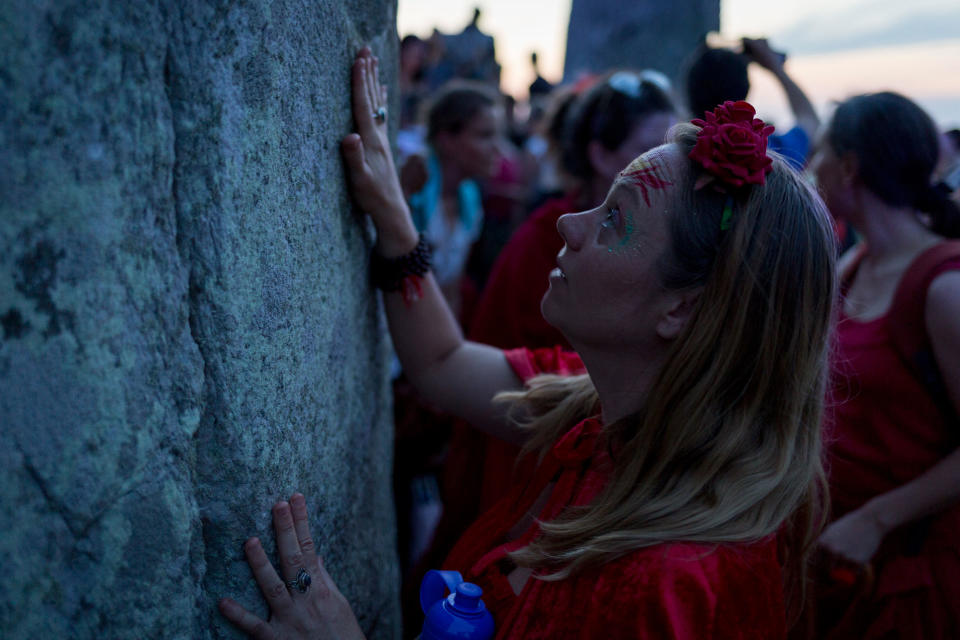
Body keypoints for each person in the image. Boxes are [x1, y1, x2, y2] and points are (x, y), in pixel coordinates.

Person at [218, 48, 837, 639]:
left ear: (682, 308)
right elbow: (443, 362)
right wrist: (390, 212)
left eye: (615, 219)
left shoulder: (668, 585)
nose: (571, 224)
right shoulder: (597, 409)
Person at [421, 71, 679, 582]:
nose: (671, 170)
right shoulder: (553, 244)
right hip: (521, 458)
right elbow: (500, 377)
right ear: (603, 155)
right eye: (652, 148)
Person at [808, 92, 960, 639]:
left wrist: (876, 519)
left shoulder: (943, 287)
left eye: (821, 146)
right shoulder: (858, 261)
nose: (812, 162)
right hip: (844, 565)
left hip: (914, 580)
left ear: (849, 167)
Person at [685, 38, 819, 169]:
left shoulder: (675, 150)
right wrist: (775, 68)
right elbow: (810, 122)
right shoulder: (766, 153)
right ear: (745, 91)